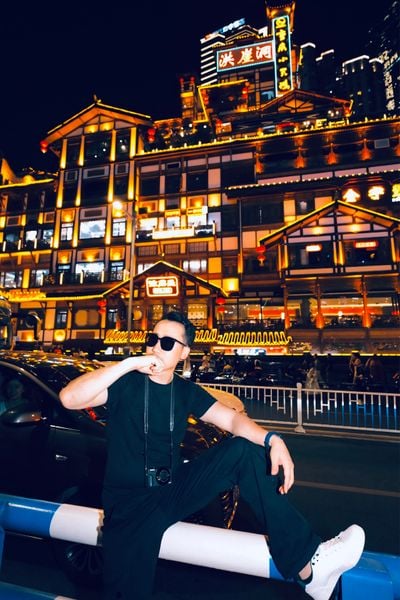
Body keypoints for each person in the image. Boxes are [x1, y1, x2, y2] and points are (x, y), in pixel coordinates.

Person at [59, 311, 365, 600]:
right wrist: (127, 364)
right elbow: (69, 398)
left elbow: (231, 420)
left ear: (184, 352)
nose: (156, 347)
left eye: (167, 343)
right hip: (129, 505)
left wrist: (273, 439)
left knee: (242, 451)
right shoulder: (125, 383)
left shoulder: (185, 391)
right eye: (152, 339)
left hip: (171, 490)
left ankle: (309, 568)